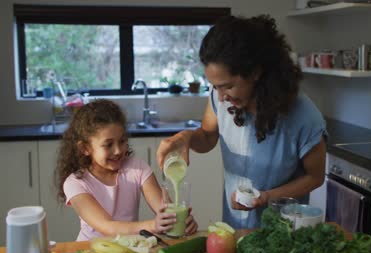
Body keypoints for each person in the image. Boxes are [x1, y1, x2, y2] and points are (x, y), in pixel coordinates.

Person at [157, 15, 327, 229]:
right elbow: (208, 136)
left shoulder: (304, 116)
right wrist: (187, 137)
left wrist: (267, 197)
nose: (219, 97)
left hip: (284, 232)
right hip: (234, 227)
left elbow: (315, 177)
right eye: (215, 86)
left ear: (255, 72)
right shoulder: (222, 97)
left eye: (227, 86)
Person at [55, 99, 198, 240]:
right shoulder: (75, 183)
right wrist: (154, 225)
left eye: (122, 141)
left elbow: (166, 210)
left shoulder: (137, 169)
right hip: (90, 251)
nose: (118, 150)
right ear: (85, 148)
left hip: (130, 248)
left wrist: (180, 222)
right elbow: (107, 227)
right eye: (108, 144)